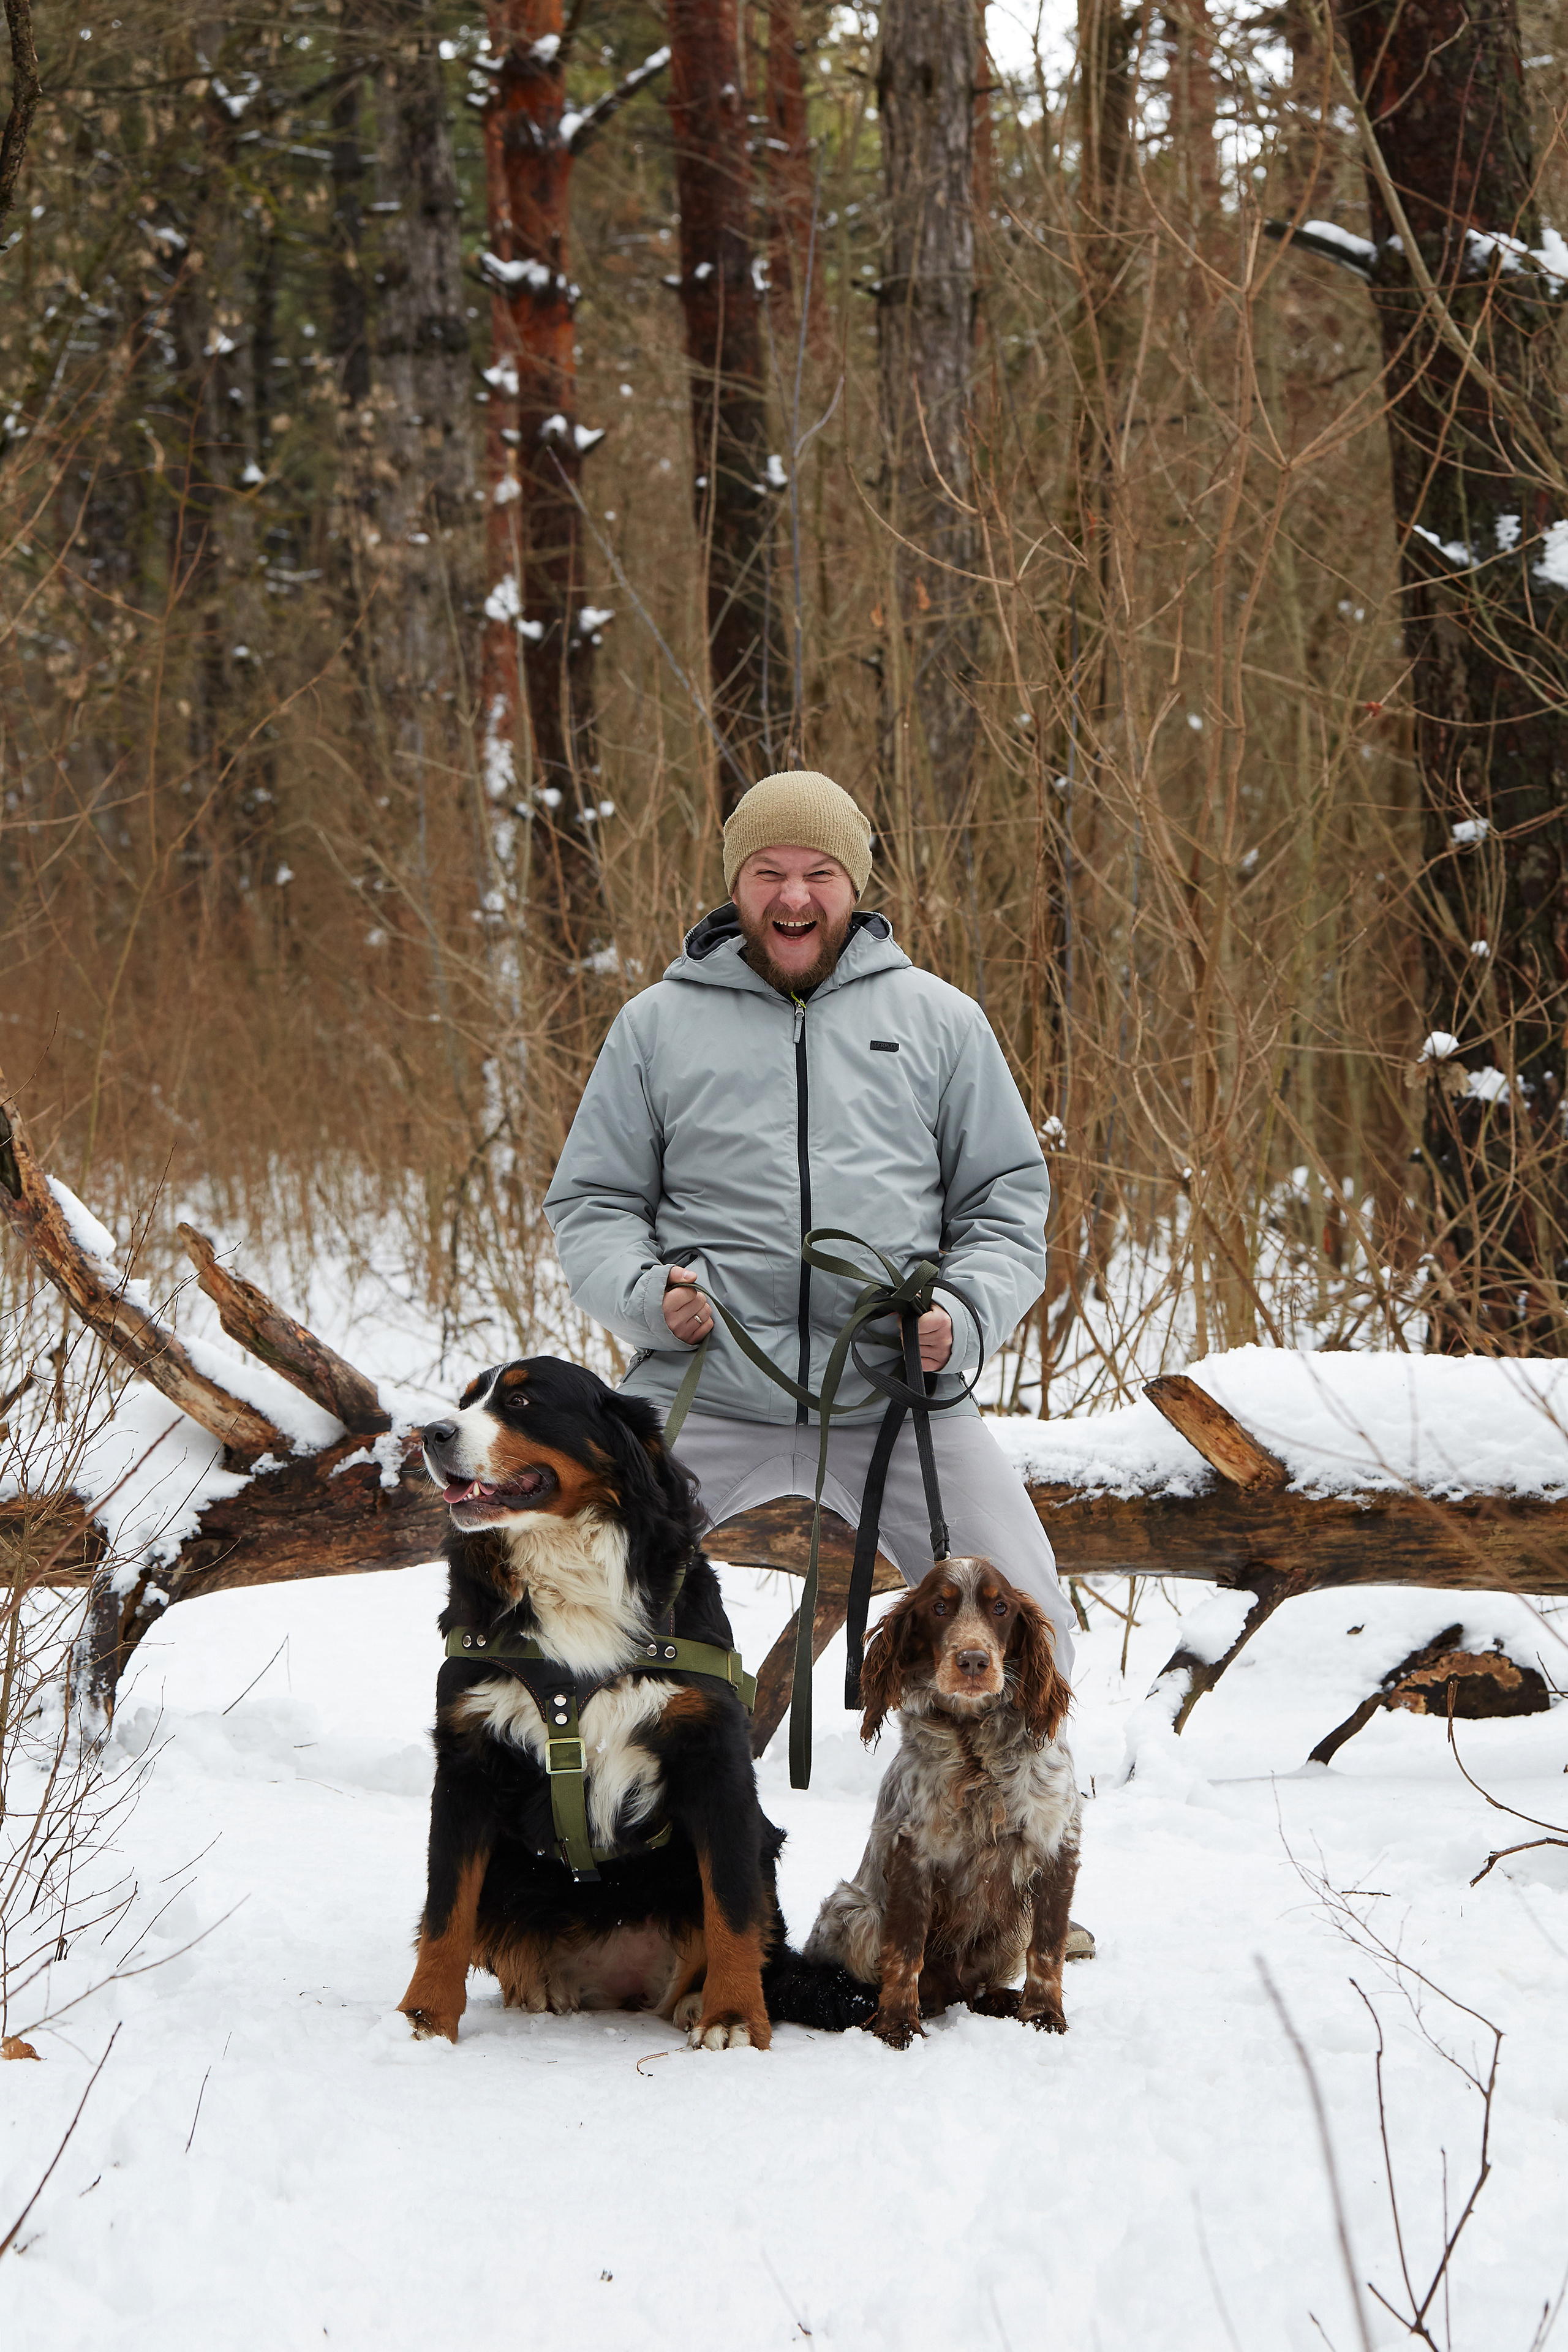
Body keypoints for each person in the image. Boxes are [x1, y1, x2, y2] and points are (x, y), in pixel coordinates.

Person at [542, 769, 1077, 1684]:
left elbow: (1006, 1202)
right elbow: (593, 1205)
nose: (794, 896)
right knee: (568, 1598)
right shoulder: (655, 1027)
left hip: (898, 1395)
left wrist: (961, 1312)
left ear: (856, 884)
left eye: (819, 872)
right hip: (701, 1388)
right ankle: (577, 1803)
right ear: (734, 883)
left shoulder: (941, 1023)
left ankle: (1022, 1812)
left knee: (1029, 1615)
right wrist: (647, 1297)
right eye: (768, 872)